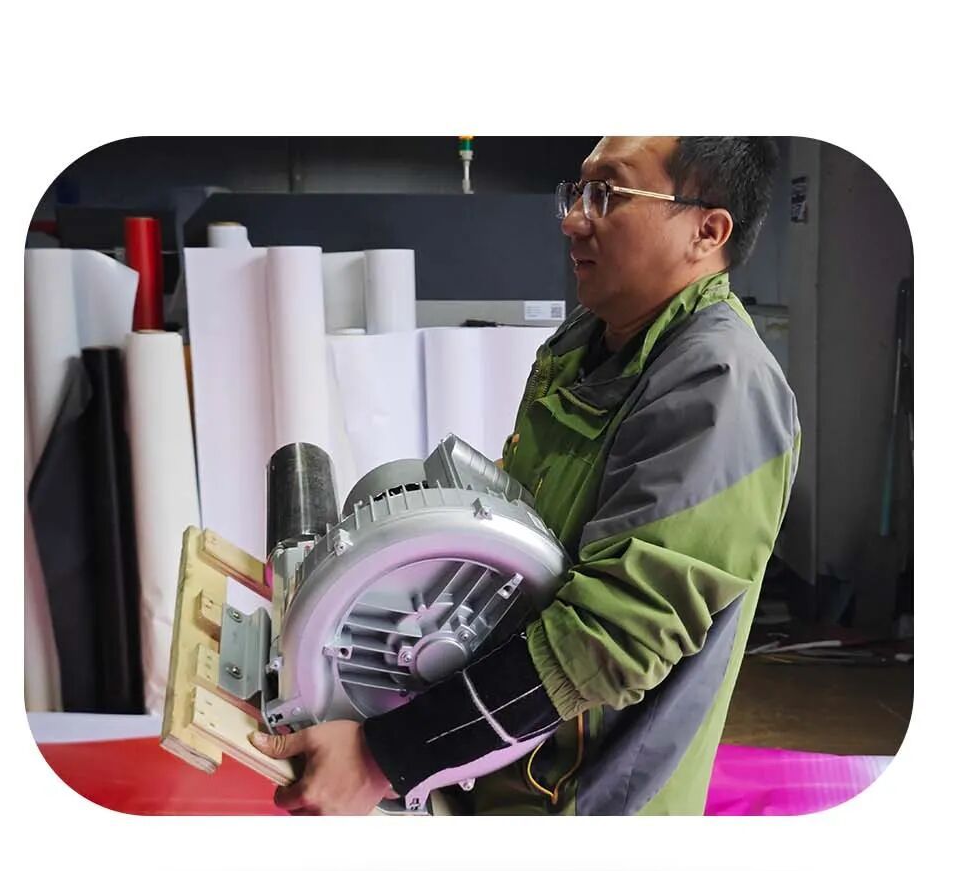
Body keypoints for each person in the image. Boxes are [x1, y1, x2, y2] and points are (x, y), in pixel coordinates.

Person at [252, 136, 799, 816]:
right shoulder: (586, 345)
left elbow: (611, 639)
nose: (574, 219)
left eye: (608, 194)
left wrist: (384, 756)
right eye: (578, 192)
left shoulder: (719, 387)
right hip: (495, 768)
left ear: (706, 231)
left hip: (585, 803)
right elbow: (509, 547)